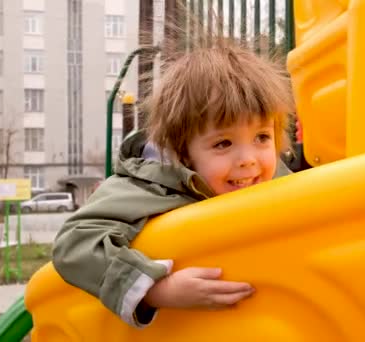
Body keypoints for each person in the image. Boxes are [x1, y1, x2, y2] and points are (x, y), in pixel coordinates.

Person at [52, 42, 295, 328]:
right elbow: (74, 243)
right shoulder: (145, 187)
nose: (249, 160)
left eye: (262, 138)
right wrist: (157, 290)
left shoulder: (279, 181)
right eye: (223, 143)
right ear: (182, 150)